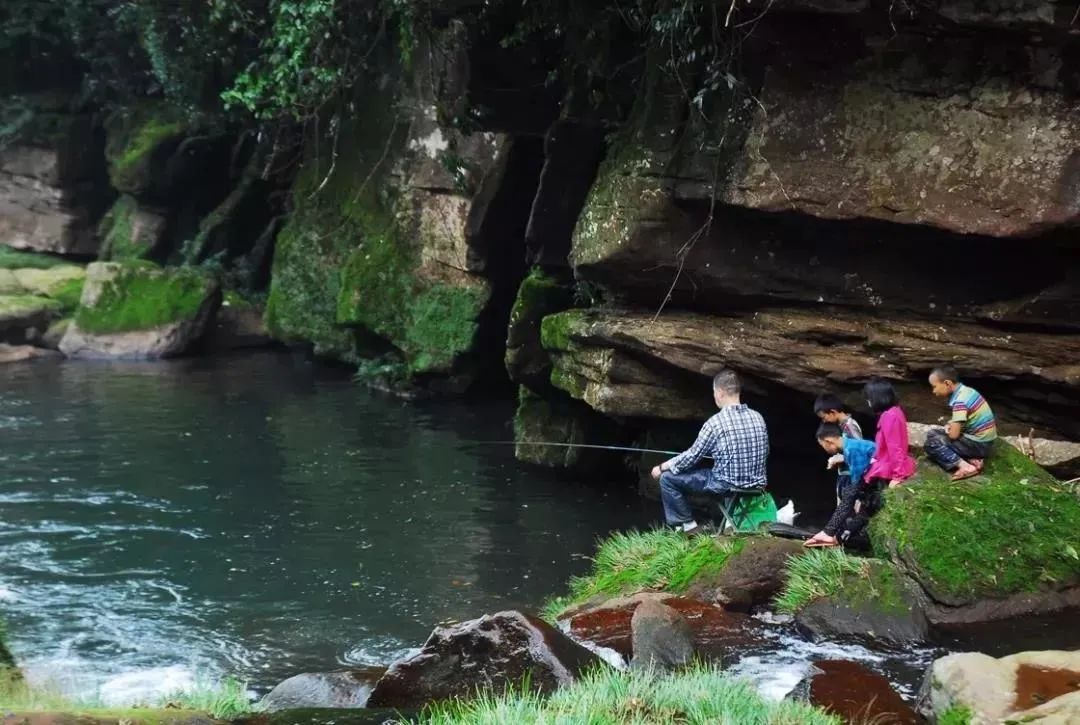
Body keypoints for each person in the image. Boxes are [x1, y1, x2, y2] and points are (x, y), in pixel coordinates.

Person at [650, 369, 768, 536]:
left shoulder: (715, 423)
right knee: (730, 472)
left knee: (668, 479)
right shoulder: (758, 418)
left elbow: (691, 457)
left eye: (714, 393)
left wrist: (662, 466)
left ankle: (689, 527)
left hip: (726, 485)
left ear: (719, 393)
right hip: (756, 485)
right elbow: (765, 452)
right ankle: (730, 523)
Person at [804, 422, 877, 547]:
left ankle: (829, 534)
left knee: (854, 499)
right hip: (875, 483)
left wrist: (828, 530)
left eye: (823, 446)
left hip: (881, 483)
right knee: (861, 509)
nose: (825, 450)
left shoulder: (853, 450)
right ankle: (835, 538)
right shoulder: (849, 448)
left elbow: (855, 487)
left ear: (828, 441)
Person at [926, 365, 997, 480]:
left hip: (979, 445)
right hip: (985, 440)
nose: (933, 391)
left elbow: (954, 435)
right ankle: (973, 459)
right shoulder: (967, 391)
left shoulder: (960, 402)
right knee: (932, 433)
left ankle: (967, 467)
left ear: (947, 384)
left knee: (932, 444)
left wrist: (951, 429)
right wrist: (952, 425)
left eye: (934, 387)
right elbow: (966, 419)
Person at [863, 377, 916, 489]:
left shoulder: (889, 416)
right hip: (885, 461)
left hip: (888, 467)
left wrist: (898, 476)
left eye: (869, 398)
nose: (868, 402)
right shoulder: (894, 411)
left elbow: (895, 447)